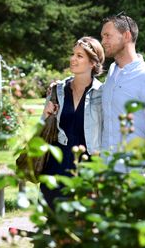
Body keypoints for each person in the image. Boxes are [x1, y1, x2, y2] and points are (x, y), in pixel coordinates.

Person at [100, 13, 145, 172]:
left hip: (136, 172)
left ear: (126, 36)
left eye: (107, 36)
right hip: (107, 170)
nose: (103, 41)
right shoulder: (112, 72)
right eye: (102, 36)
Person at [40, 36, 105, 209]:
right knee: (55, 220)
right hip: (57, 164)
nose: (73, 59)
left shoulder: (102, 93)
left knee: (84, 223)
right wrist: (46, 114)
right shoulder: (57, 90)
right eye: (73, 54)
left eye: (79, 56)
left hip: (88, 164)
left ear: (93, 63)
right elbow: (42, 128)